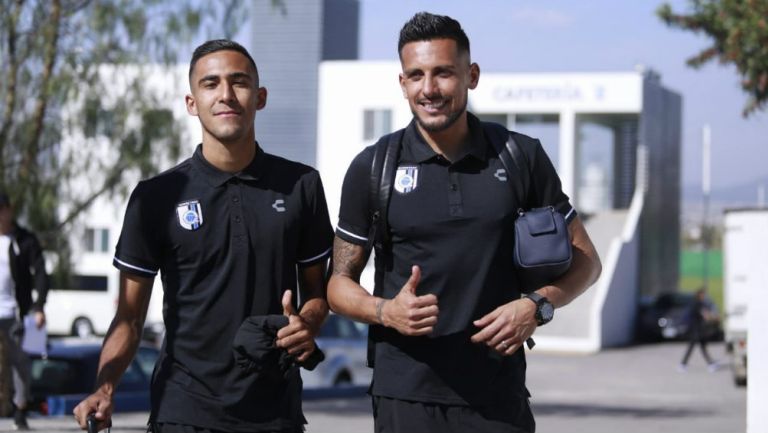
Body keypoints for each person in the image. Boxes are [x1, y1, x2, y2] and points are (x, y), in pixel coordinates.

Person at [327, 12, 602, 433]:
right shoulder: (374, 167)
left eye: (443, 73)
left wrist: (537, 306)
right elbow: (336, 286)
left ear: (471, 75)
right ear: (402, 84)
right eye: (415, 75)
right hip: (405, 397)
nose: (429, 89)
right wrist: (386, 311)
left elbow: (587, 262)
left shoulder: (520, 156)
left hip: (497, 398)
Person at [73, 39, 334, 433]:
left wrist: (308, 324)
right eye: (210, 84)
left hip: (275, 411)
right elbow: (129, 316)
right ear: (192, 102)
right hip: (183, 410)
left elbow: (317, 294)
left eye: (239, 82)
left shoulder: (301, 185)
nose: (226, 95)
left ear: (259, 97)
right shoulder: (156, 196)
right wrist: (104, 388)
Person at [0, 191, 48, 430]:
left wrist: (39, 307)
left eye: (1, 210)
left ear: (9, 210)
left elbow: (40, 273)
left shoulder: (25, 240)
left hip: (16, 312)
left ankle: (20, 409)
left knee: (21, 362)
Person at [679, 288, 719, 372]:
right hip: (696, 330)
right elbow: (706, 315)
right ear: (699, 295)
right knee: (694, 347)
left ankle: (710, 363)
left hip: (697, 329)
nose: (705, 296)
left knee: (701, 347)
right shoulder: (698, 304)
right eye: (703, 295)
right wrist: (715, 318)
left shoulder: (696, 303)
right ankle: (683, 364)